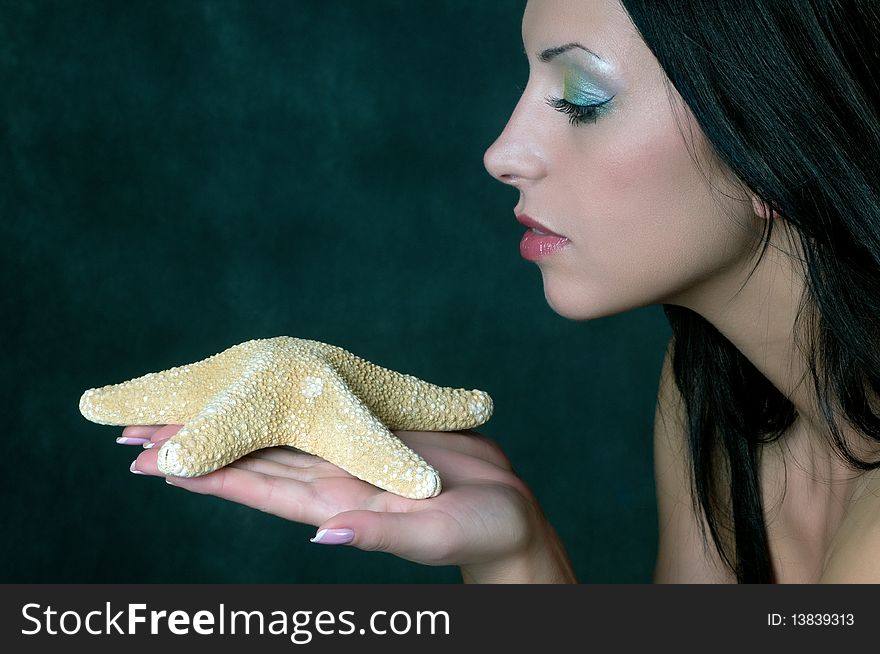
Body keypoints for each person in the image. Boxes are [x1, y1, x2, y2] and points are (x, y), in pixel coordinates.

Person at [120, 0, 880, 583]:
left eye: (581, 97)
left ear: (776, 131)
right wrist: (516, 554)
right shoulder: (717, 401)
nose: (502, 153)